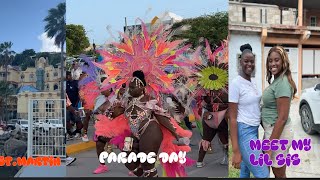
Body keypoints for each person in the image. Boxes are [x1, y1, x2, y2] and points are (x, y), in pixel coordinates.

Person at [229, 44, 269, 178]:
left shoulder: (253, 81)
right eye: (246, 61)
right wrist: (236, 150)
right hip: (244, 130)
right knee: (263, 174)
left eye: (252, 61)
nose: (249, 64)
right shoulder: (236, 83)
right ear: (240, 62)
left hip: (254, 130)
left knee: (245, 170)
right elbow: (232, 118)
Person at [261, 46, 296, 178]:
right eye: (270, 61)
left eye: (276, 60)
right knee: (270, 169)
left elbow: (282, 118)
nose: (272, 64)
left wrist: (270, 145)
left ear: (283, 62)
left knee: (279, 173)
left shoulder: (282, 83)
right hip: (272, 131)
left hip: (278, 133)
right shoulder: (277, 80)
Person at [66, 71, 83, 139]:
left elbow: (79, 93)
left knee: (78, 119)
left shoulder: (76, 83)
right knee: (67, 120)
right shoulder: (65, 84)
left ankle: (78, 132)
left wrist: (78, 102)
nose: (67, 77)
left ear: (70, 75)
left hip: (75, 104)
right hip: (67, 105)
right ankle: (69, 133)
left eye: (68, 76)